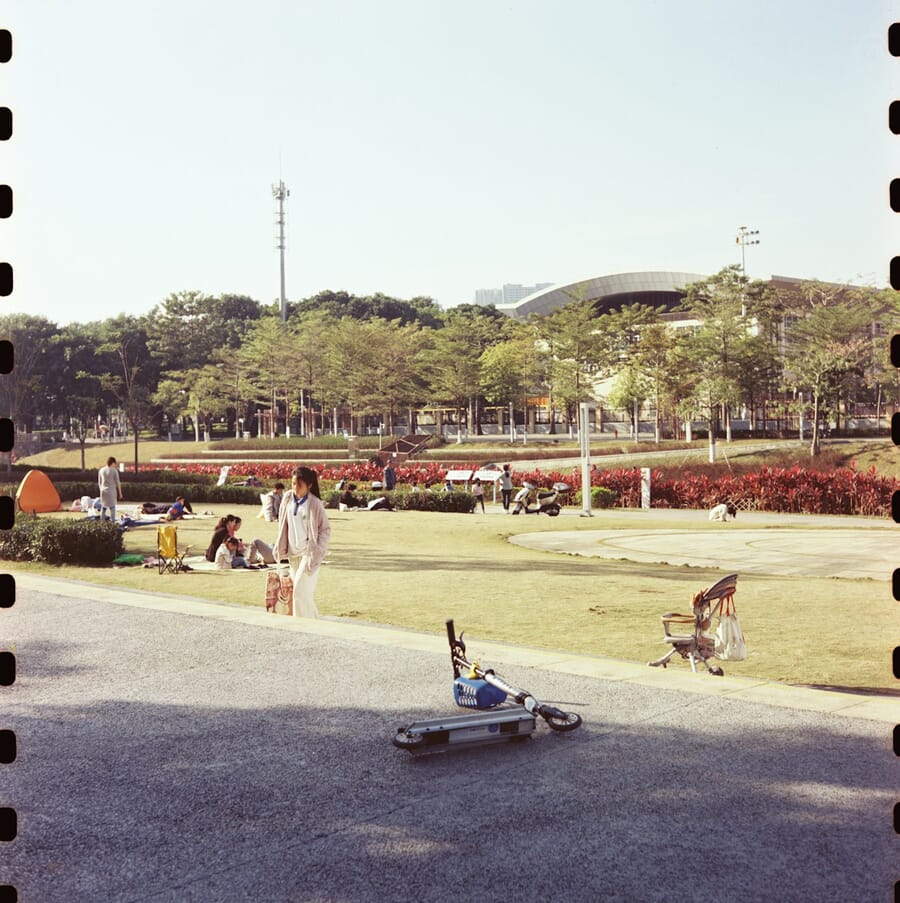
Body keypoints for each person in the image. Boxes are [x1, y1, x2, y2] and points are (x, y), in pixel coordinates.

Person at [274, 465, 331, 619]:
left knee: (299, 590)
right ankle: (313, 622)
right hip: (293, 553)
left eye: (299, 485)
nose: (295, 488)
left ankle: (300, 626)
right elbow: (282, 525)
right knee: (303, 594)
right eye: (293, 484)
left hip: (308, 554)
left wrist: (318, 550)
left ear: (309, 485)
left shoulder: (315, 504)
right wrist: (279, 545)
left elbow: (325, 529)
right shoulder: (287, 498)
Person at [98, 456, 123, 522]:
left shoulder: (101, 470)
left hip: (103, 491)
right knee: (112, 507)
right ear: (112, 463)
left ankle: (102, 521)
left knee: (103, 507)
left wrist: (101, 489)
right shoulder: (114, 470)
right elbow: (118, 482)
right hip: (111, 491)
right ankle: (112, 521)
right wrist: (120, 493)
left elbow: (99, 482)